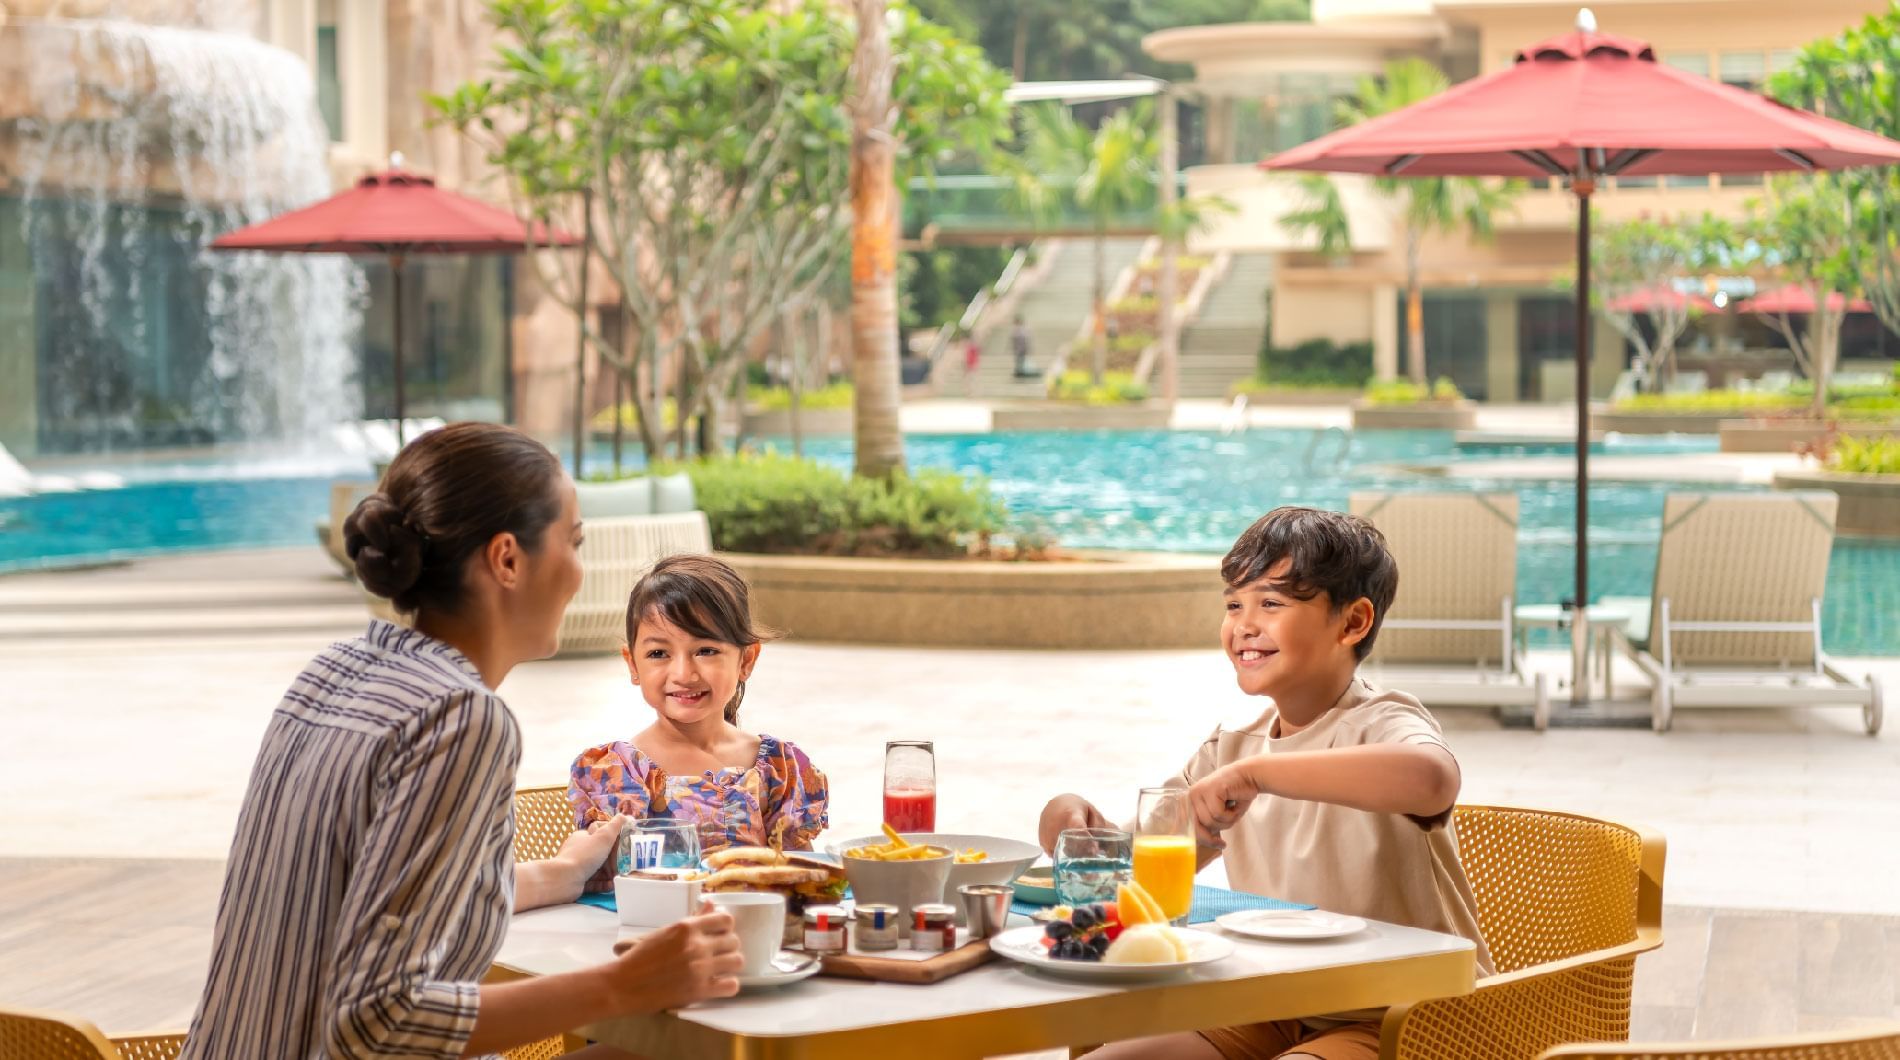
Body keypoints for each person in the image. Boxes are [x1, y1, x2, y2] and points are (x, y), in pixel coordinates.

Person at [180, 423, 742, 1060]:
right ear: (507, 560)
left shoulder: (332, 673)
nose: (580, 572)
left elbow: (378, 889)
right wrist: (623, 985)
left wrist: (559, 874)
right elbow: (375, 1022)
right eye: (573, 542)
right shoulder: (460, 719)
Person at [1039, 507, 1493, 1060]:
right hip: (1269, 1005)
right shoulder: (1229, 747)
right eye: (1234, 604)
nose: (1244, 625)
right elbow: (1133, 863)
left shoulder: (1382, 721)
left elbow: (1431, 780)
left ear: (1353, 623)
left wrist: (1260, 775)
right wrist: (1069, 823)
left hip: (1403, 1016)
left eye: (1271, 604)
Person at [568, 554, 829, 859]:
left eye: (705, 650)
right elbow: (611, 882)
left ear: (746, 660)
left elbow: (803, 874)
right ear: (632, 664)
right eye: (658, 653)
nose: (683, 674)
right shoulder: (616, 773)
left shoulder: (780, 768)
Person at [1011, 314, 1033, 378]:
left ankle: (1020, 372)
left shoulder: (1022, 330)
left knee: (1021, 360)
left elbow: (1025, 341)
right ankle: (1019, 372)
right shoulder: (1017, 329)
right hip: (1019, 349)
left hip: (1021, 349)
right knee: (1019, 360)